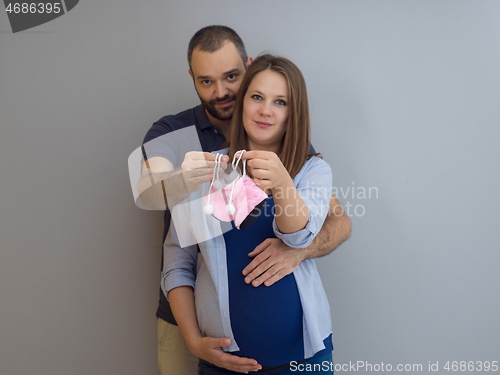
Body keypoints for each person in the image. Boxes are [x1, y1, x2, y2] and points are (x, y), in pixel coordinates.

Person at [136, 26, 351, 375]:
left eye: (280, 102)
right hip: (216, 354)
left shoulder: (309, 167)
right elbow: (173, 249)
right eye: (257, 98)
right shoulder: (201, 161)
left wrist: (282, 185)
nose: (266, 110)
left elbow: (308, 233)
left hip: (304, 358)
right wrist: (192, 340)